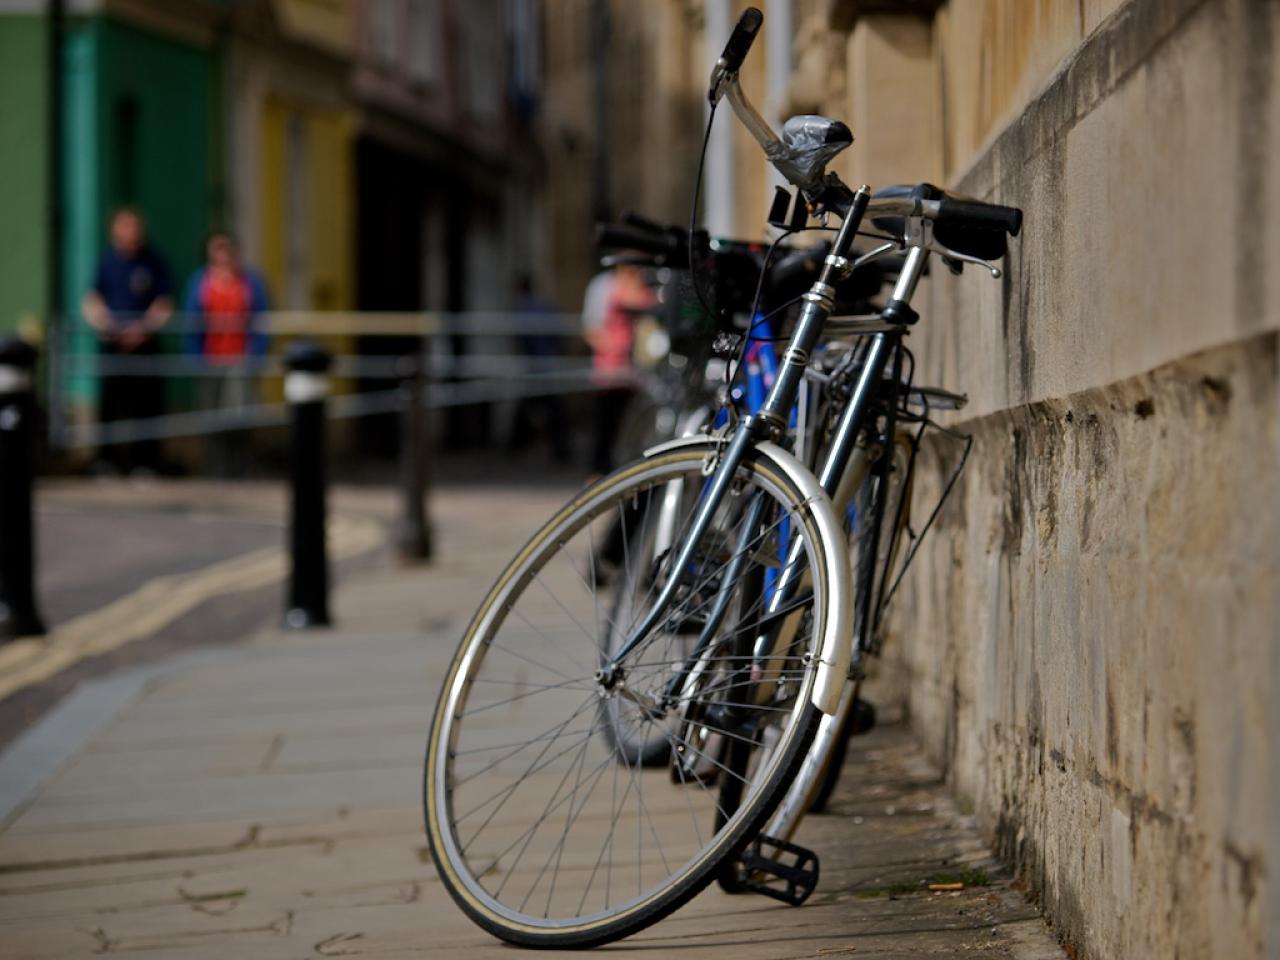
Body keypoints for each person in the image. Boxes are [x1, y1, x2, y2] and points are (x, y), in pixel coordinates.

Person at [81, 207, 174, 474]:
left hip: (144, 346)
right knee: (110, 405)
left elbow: (164, 301)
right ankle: (107, 462)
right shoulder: (107, 260)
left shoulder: (153, 260)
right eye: (124, 227)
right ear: (114, 230)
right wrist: (107, 324)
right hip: (113, 344)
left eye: (134, 226)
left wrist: (142, 328)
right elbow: (92, 298)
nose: (130, 232)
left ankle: (145, 463)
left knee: (146, 406)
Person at [182, 231, 270, 476]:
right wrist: (195, 358)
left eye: (227, 249)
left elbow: (261, 321)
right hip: (211, 360)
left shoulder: (249, 282)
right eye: (217, 249)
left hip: (241, 360)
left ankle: (240, 467)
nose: (223, 255)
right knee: (211, 417)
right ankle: (214, 469)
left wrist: (257, 355)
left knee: (240, 417)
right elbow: (192, 323)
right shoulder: (200, 283)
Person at [585, 265, 654, 476]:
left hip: (638, 373)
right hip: (610, 371)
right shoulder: (604, 286)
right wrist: (614, 347)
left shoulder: (642, 285)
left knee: (634, 431)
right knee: (605, 429)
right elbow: (591, 328)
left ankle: (627, 473)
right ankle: (598, 475)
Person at [507, 274, 571, 462]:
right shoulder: (544, 305)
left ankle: (517, 445)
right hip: (549, 362)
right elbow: (559, 335)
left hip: (535, 365)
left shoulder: (522, 307)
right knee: (552, 408)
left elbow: (520, 339)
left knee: (532, 406)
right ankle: (560, 448)